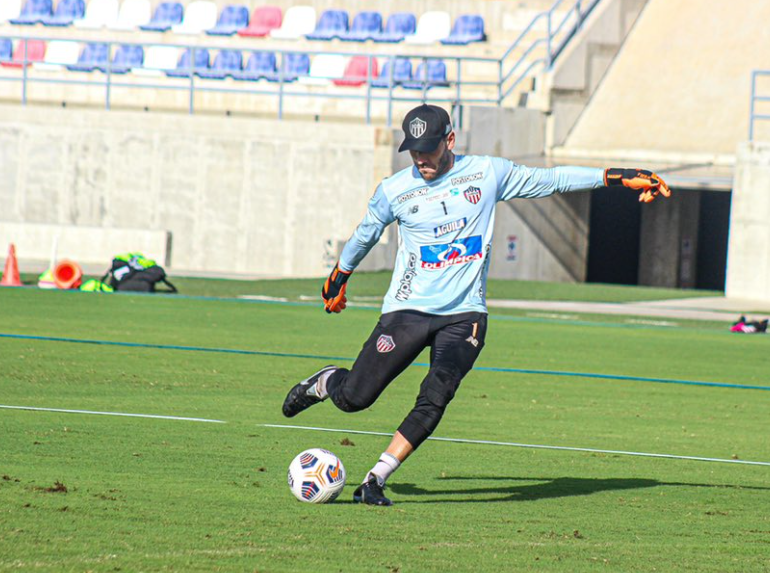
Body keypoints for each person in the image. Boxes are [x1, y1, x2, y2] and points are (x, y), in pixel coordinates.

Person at [281, 104, 671, 506]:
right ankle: (327, 381)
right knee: (354, 400)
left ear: (450, 140)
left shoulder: (487, 174)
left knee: (437, 394)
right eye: (414, 150)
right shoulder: (395, 190)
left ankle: (375, 479)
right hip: (407, 310)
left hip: (465, 315)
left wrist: (616, 177)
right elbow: (366, 234)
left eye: (429, 148)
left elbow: (552, 179)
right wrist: (340, 274)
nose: (421, 158)